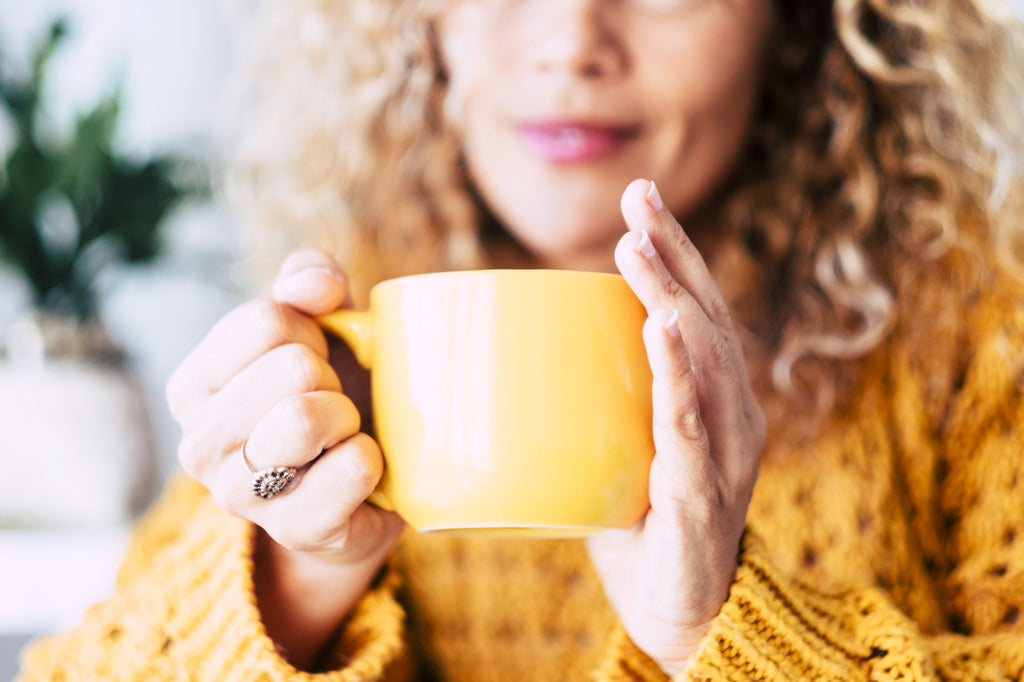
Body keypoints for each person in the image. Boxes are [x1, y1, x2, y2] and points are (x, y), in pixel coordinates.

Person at [16, 0, 1024, 679]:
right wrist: (296, 580)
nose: (569, 41)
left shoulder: (980, 325)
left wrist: (716, 629)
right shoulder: (355, 327)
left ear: (798, 27)